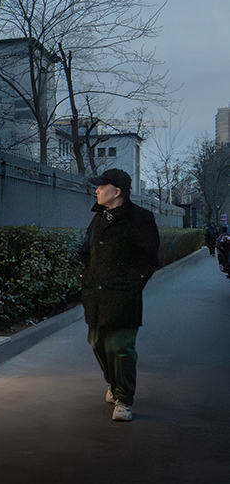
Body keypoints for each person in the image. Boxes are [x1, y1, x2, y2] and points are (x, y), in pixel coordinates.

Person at [79, 167, 160, 422]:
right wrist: (85, 277)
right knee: (97, 343)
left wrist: (132, 285)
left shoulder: (141, 218)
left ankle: (124, 400)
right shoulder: (99, 217)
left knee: (121, 347)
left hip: (123, 294)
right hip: (96, 293)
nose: (96, 190)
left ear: (116, 191)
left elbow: (149, 259)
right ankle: (113, 383)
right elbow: (85, 250)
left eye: (101, 187)